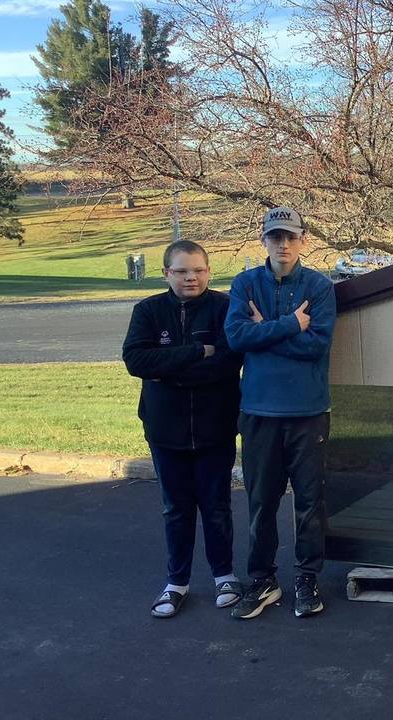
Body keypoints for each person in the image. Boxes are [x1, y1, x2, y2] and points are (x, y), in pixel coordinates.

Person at [225, 206, 336, 620]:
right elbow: (237, 337)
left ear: (303, 240)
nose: (283, 244)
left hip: (307, 411)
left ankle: (307, 579)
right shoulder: (245, 283)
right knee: (261, 501)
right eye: (275, 237)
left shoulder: (320, 287)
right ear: (263, 240)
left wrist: (265, 330)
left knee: (309, 502)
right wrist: (291, 324)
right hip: (257, 411)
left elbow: (316, 347)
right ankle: (262, 580)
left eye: (290, 237)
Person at [123, 239, 243, 618]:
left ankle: (224, 576)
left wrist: (168, 371)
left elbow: (228, 361)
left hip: (216, 427)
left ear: (208, 272)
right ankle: (177, 583)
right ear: (166, 274)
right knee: (176, 509)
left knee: (216, 506)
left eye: (199, 270)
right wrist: (194, 352)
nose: (191, 277)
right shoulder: (148, 311)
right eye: (182, 271)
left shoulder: (225, 308)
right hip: (165, 430)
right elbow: (136, 359)